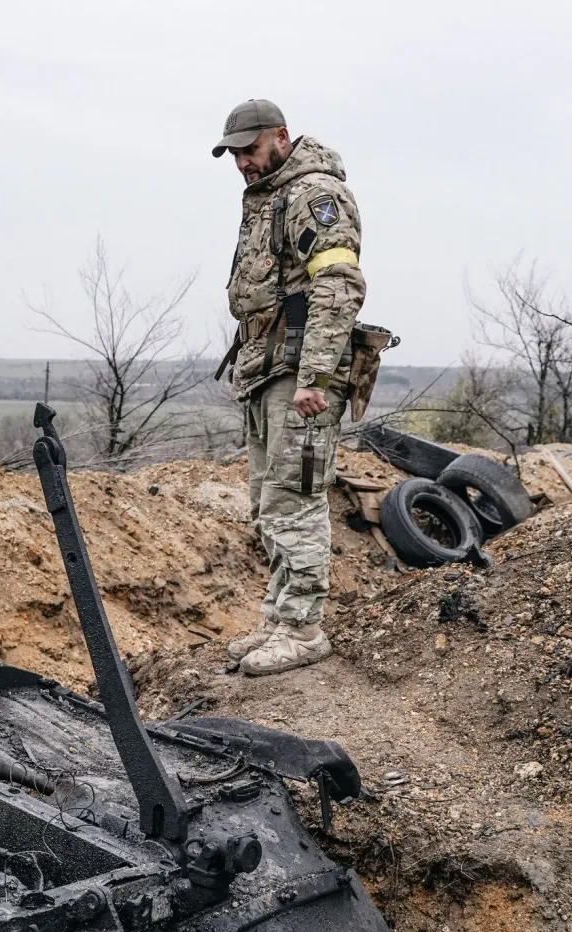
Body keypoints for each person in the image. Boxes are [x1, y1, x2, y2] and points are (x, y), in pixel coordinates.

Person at [212, 99, 366, 676]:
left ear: (281, 137)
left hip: (300, 373)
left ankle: (303, 628)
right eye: (234, 155)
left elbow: (339, 284)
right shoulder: (268, 195)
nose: (243, 164)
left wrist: (316, 378)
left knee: (295, 499)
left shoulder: (313, 195)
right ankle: (279, 616)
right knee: (266, 502)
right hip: (265, 365)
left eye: (250, 151)